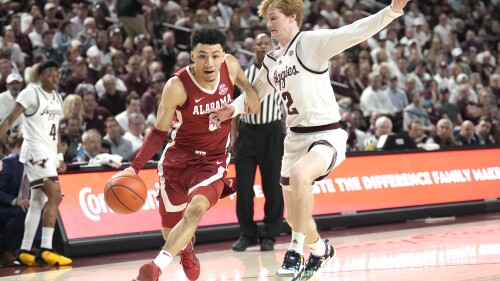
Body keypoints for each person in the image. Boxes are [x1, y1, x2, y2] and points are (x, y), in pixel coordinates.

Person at [208, 0, 409, 279]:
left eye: (274, 18)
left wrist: (391, 12)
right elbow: (256, 93)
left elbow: (353, 32)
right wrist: (233, 108)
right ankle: (319, 250)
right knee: (293, 217)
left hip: (326, 134)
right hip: (294, 140)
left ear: (292, 17)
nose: (269, 25)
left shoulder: (310, 43)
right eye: (267, 19)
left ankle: (294, 251)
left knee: (302, 176)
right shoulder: (272, 59)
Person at [122, 28, 260, 281]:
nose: (210, 63)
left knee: (195, 210)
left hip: (212, 160)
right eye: (203, 56)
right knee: (170, 231)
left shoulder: (230, 66)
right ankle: (186, 248)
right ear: (192, 56)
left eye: (215, 56)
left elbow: (248, 88)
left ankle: (154, 269)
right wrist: (135, 167)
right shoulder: (176, 86)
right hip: (178, 159)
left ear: (223, 55)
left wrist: (246, 96)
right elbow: (157, 132)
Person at [0, 60, 72, 267]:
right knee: (55, 195)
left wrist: (59, 157)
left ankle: (24, 250)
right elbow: (8, 119)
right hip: (34, 151)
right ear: (40, 76)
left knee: (39, 202)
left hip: (48, 152)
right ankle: (46, 249)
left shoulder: (58, 97)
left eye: (57, 74)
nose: (55, 78)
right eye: (50, 74)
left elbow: (56, 130)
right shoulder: (30, 93)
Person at [230, 33, 285, 252]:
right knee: (243, 187)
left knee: (273, 185)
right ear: (253, 48)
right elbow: (235, 107)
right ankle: (248, 233)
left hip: (272, 131)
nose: (263, 47)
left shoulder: (281, 71)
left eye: (266, 44)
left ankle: (270, 234)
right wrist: (233, 136)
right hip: (247, 132)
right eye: (259, 44)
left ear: (272, 47)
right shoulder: (243, 74)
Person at [0, 134, 29, 266]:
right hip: (4, 205)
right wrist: (15, 200)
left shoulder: (37, 165)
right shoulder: (8, 163)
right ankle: (6, 250)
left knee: (42, 207)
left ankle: (34, 247)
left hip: (25, 202)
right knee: (20, 210)